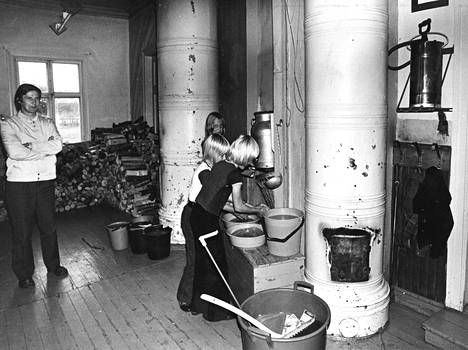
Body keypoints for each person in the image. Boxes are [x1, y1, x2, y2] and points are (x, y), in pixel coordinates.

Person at [189, 134, 269, 321]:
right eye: (251, 158)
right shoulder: (234, 174)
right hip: (207, 220)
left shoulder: (221, 164)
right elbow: (238, 205)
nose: (251, 163)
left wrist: (249, 209)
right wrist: (259, 211)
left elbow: (220, 198)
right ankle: (217, 314)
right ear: (245, 156)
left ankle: (197, 305)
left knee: (203, 263)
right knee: (218, 265)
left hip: (197, 216)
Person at [0, 83, 68, 289]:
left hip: (45, 181)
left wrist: (31, 145)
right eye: (29, 98)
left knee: (49, 227)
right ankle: (24, 274)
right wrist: (44, 148)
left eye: (37, 98)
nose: (34, 102)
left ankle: (53, 265)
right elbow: (15, 153)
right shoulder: (8, 124)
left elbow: (58, 145)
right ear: (19, 100)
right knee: (22, 230)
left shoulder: (48, 123)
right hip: (20, 185)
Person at [177, 133, 230, 312]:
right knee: (194, 259)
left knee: (201, 260)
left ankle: (199, 300)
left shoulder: (212, 169)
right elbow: (212, 191)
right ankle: (185, 299)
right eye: (222, 155)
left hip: (198, 214)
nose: (224, 159)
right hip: (191, 216)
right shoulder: (204, 170)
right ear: (213, 153)